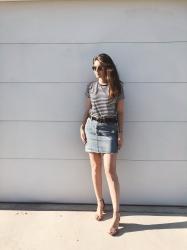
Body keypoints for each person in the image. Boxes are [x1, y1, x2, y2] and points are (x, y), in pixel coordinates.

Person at [80, 53, 125, 236]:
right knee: (95, 168)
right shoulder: (91, 87)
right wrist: (82, 126)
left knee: (110, 171)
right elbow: (87, 110)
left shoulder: (117, 87)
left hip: (109, 130)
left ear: (108, 68)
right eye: (94, 68)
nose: (96, 71)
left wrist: (121, 133)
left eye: (100, 67)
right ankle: (100, 203)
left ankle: (116, 214)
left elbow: (120, 113)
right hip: (92, 127)